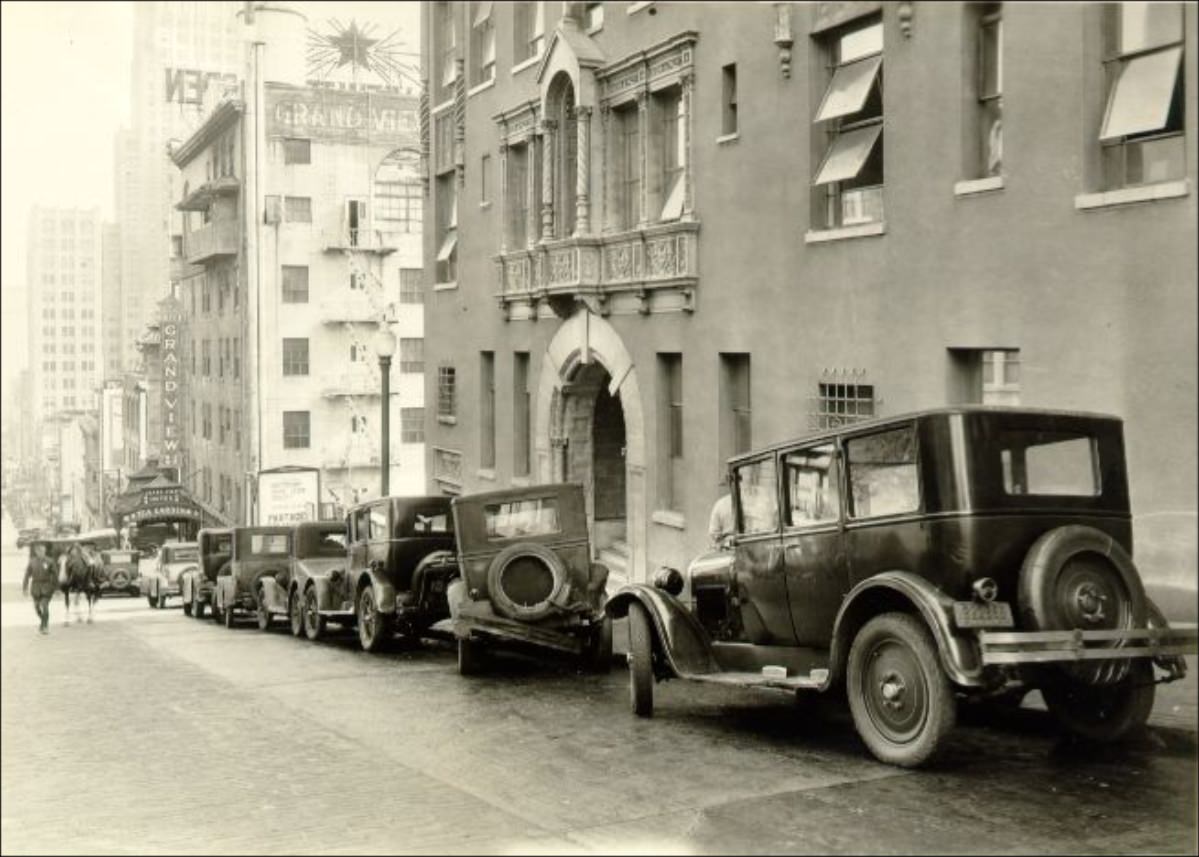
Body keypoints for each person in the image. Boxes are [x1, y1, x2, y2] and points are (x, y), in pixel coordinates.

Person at [22, 542, 56, 635]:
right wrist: (24, 588)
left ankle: (45, 626)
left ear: (45, 551)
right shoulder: (32, 561)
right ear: (36, 552)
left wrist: (55, 588)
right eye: (38, 551)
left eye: (42, 550)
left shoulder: (50, 561)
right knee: (37, 608)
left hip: (47, 586)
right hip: (35, 587)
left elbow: (55, 575)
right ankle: (43, 622)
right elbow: (27, 575)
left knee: (44, 606)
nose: (40, 552)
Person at [708, 478, 735, 549]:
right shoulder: (720, 504)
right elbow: (714, 533)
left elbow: (714, 533)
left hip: (728, 546)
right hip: (728, 547)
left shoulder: (720, 504)